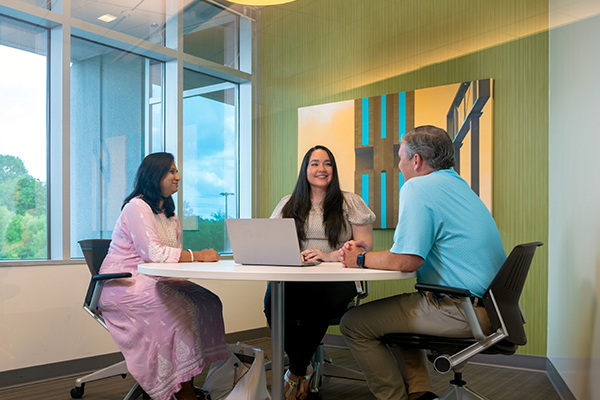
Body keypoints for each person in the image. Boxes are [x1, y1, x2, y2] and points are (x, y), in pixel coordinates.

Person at [338, 126, 506, 400]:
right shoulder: (457, 185)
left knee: (353, 323)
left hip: (462, 309)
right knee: (394, 316)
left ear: (416, 161)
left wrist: (358, 258)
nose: (400, 166)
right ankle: (419, 393)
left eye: (401, 158)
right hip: (490, 308)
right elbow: (409, 254)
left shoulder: (418, 186)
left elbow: (407, 260)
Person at [98, 152, 227, 400]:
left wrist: (192, 259)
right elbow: (153, 253)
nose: (178, 177)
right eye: (172, 171)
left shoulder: (169, 214)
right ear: (154, 175)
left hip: (155, 278)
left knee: (208, 302)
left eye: (177, 172)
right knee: (179, 311)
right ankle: (182, 391)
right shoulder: (137, 206)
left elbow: (172, 254)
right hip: (123, 282)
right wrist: (198, 255)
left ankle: (182, 377)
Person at [264, 145, 375, 400]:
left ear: (333, 170)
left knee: (316, 298)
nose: (321, 169)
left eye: (327, 164)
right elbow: (272, 240)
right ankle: (303, 366)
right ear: (305, 170)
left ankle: (294, 374)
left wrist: (328, 255)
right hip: (297, 275)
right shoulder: (288, 203)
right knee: (273, 299)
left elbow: (364, 246)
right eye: (314, 163)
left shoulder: (350, 201)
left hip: (339, 276)